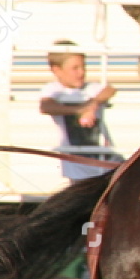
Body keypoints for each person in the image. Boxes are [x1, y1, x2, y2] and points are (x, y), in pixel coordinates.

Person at [39, 42, 118, 182]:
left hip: (105, 162)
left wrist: (92, 105)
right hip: (77, 167)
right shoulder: (54, 90)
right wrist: (80, 110)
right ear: (57, 70)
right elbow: (45, 106)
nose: (81, 72)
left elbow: (109, 90)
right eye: (75, 68)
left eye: (83, 66)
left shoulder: (90, 88)